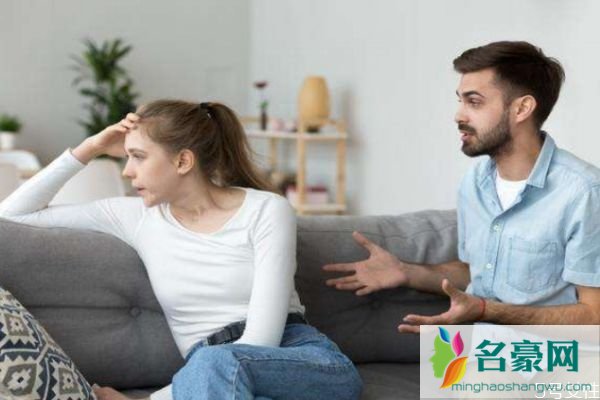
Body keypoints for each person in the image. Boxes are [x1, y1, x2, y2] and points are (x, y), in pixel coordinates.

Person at [0, 100, 362, 400]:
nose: (127, 171)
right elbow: (12, 215)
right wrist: (90, 148)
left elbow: (260, 341)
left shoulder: (267, 210)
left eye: (138, 157)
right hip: (211, 379)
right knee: (219, 373)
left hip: (300, 359)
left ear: (183, 161)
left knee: (215, 364)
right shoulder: (135, 217)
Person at [324, 41, 600, 330]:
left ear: (521, 108)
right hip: (484, 350)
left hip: (551, 355)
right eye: (460, 101)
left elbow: (594, 316)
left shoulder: (584, 193)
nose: (459, 115)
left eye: (474, 102)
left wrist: (486, 311)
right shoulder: (476, 182)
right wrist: (405, 272)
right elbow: (479, 273)